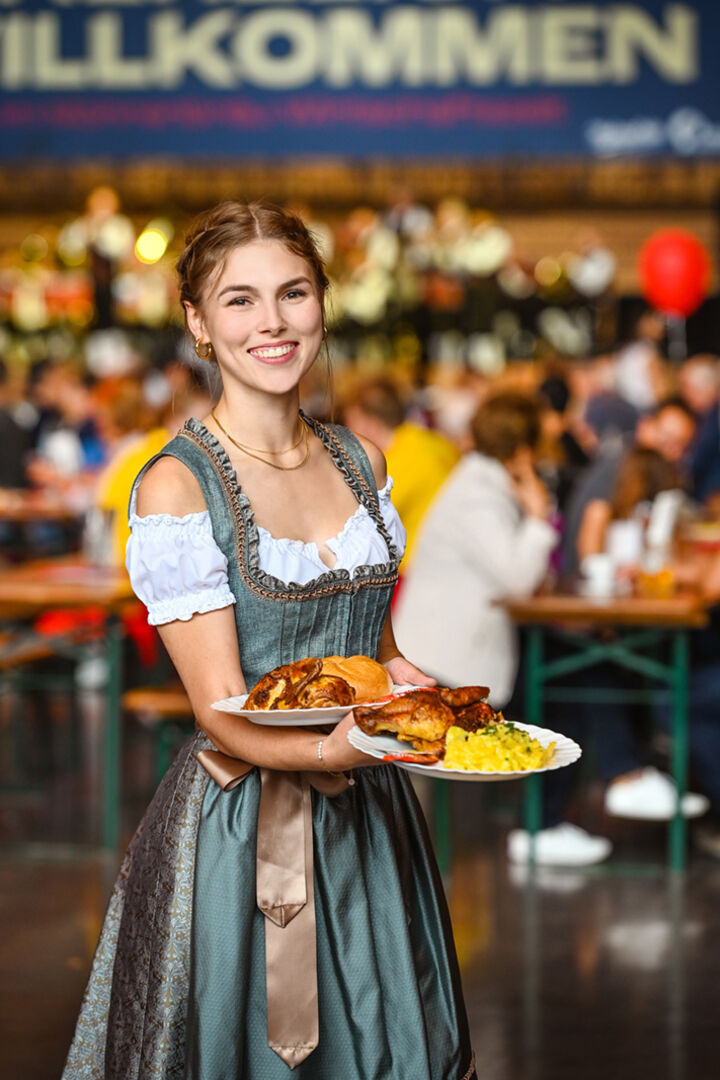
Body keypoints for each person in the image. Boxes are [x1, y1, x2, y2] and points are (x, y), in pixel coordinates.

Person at [63, 202, 476, 1080]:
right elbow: (220, 714)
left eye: (293, 292)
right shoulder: (177, 487)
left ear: (322, 304)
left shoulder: (361, 459)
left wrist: (440, 707)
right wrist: (341, 749)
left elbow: (377, 655)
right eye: (240, 300)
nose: (273, 322)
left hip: (371, 817)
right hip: (243, 827)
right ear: (198, 324)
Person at [342, 377, 459, 571]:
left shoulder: (392, 464)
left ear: (369, 422)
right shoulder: (435, 442)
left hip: (418, 570)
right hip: (450, 560)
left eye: (350, 422)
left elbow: (359, 527)